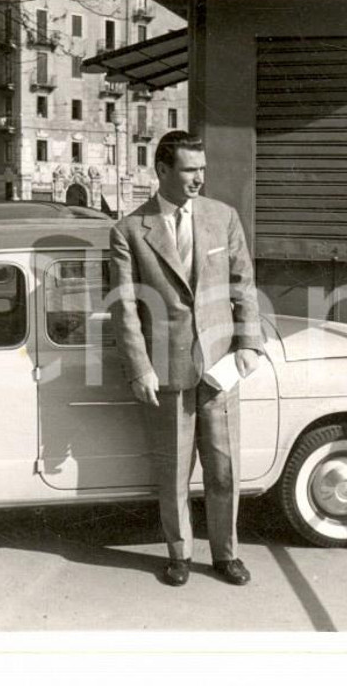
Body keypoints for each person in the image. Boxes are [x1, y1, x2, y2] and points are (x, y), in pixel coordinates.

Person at [109, 131, 263, 587]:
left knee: (223, 467)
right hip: (167, 371)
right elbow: (125, 308)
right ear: (162, 171)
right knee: (174, 472)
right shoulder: (129, 231)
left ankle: (226, 555)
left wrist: (248, 345)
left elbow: (244, 286)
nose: (200, 178)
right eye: (190, 170)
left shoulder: (223, 218)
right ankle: (179, 554)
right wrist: (139, 368)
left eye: (202, 169)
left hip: (220, 369)